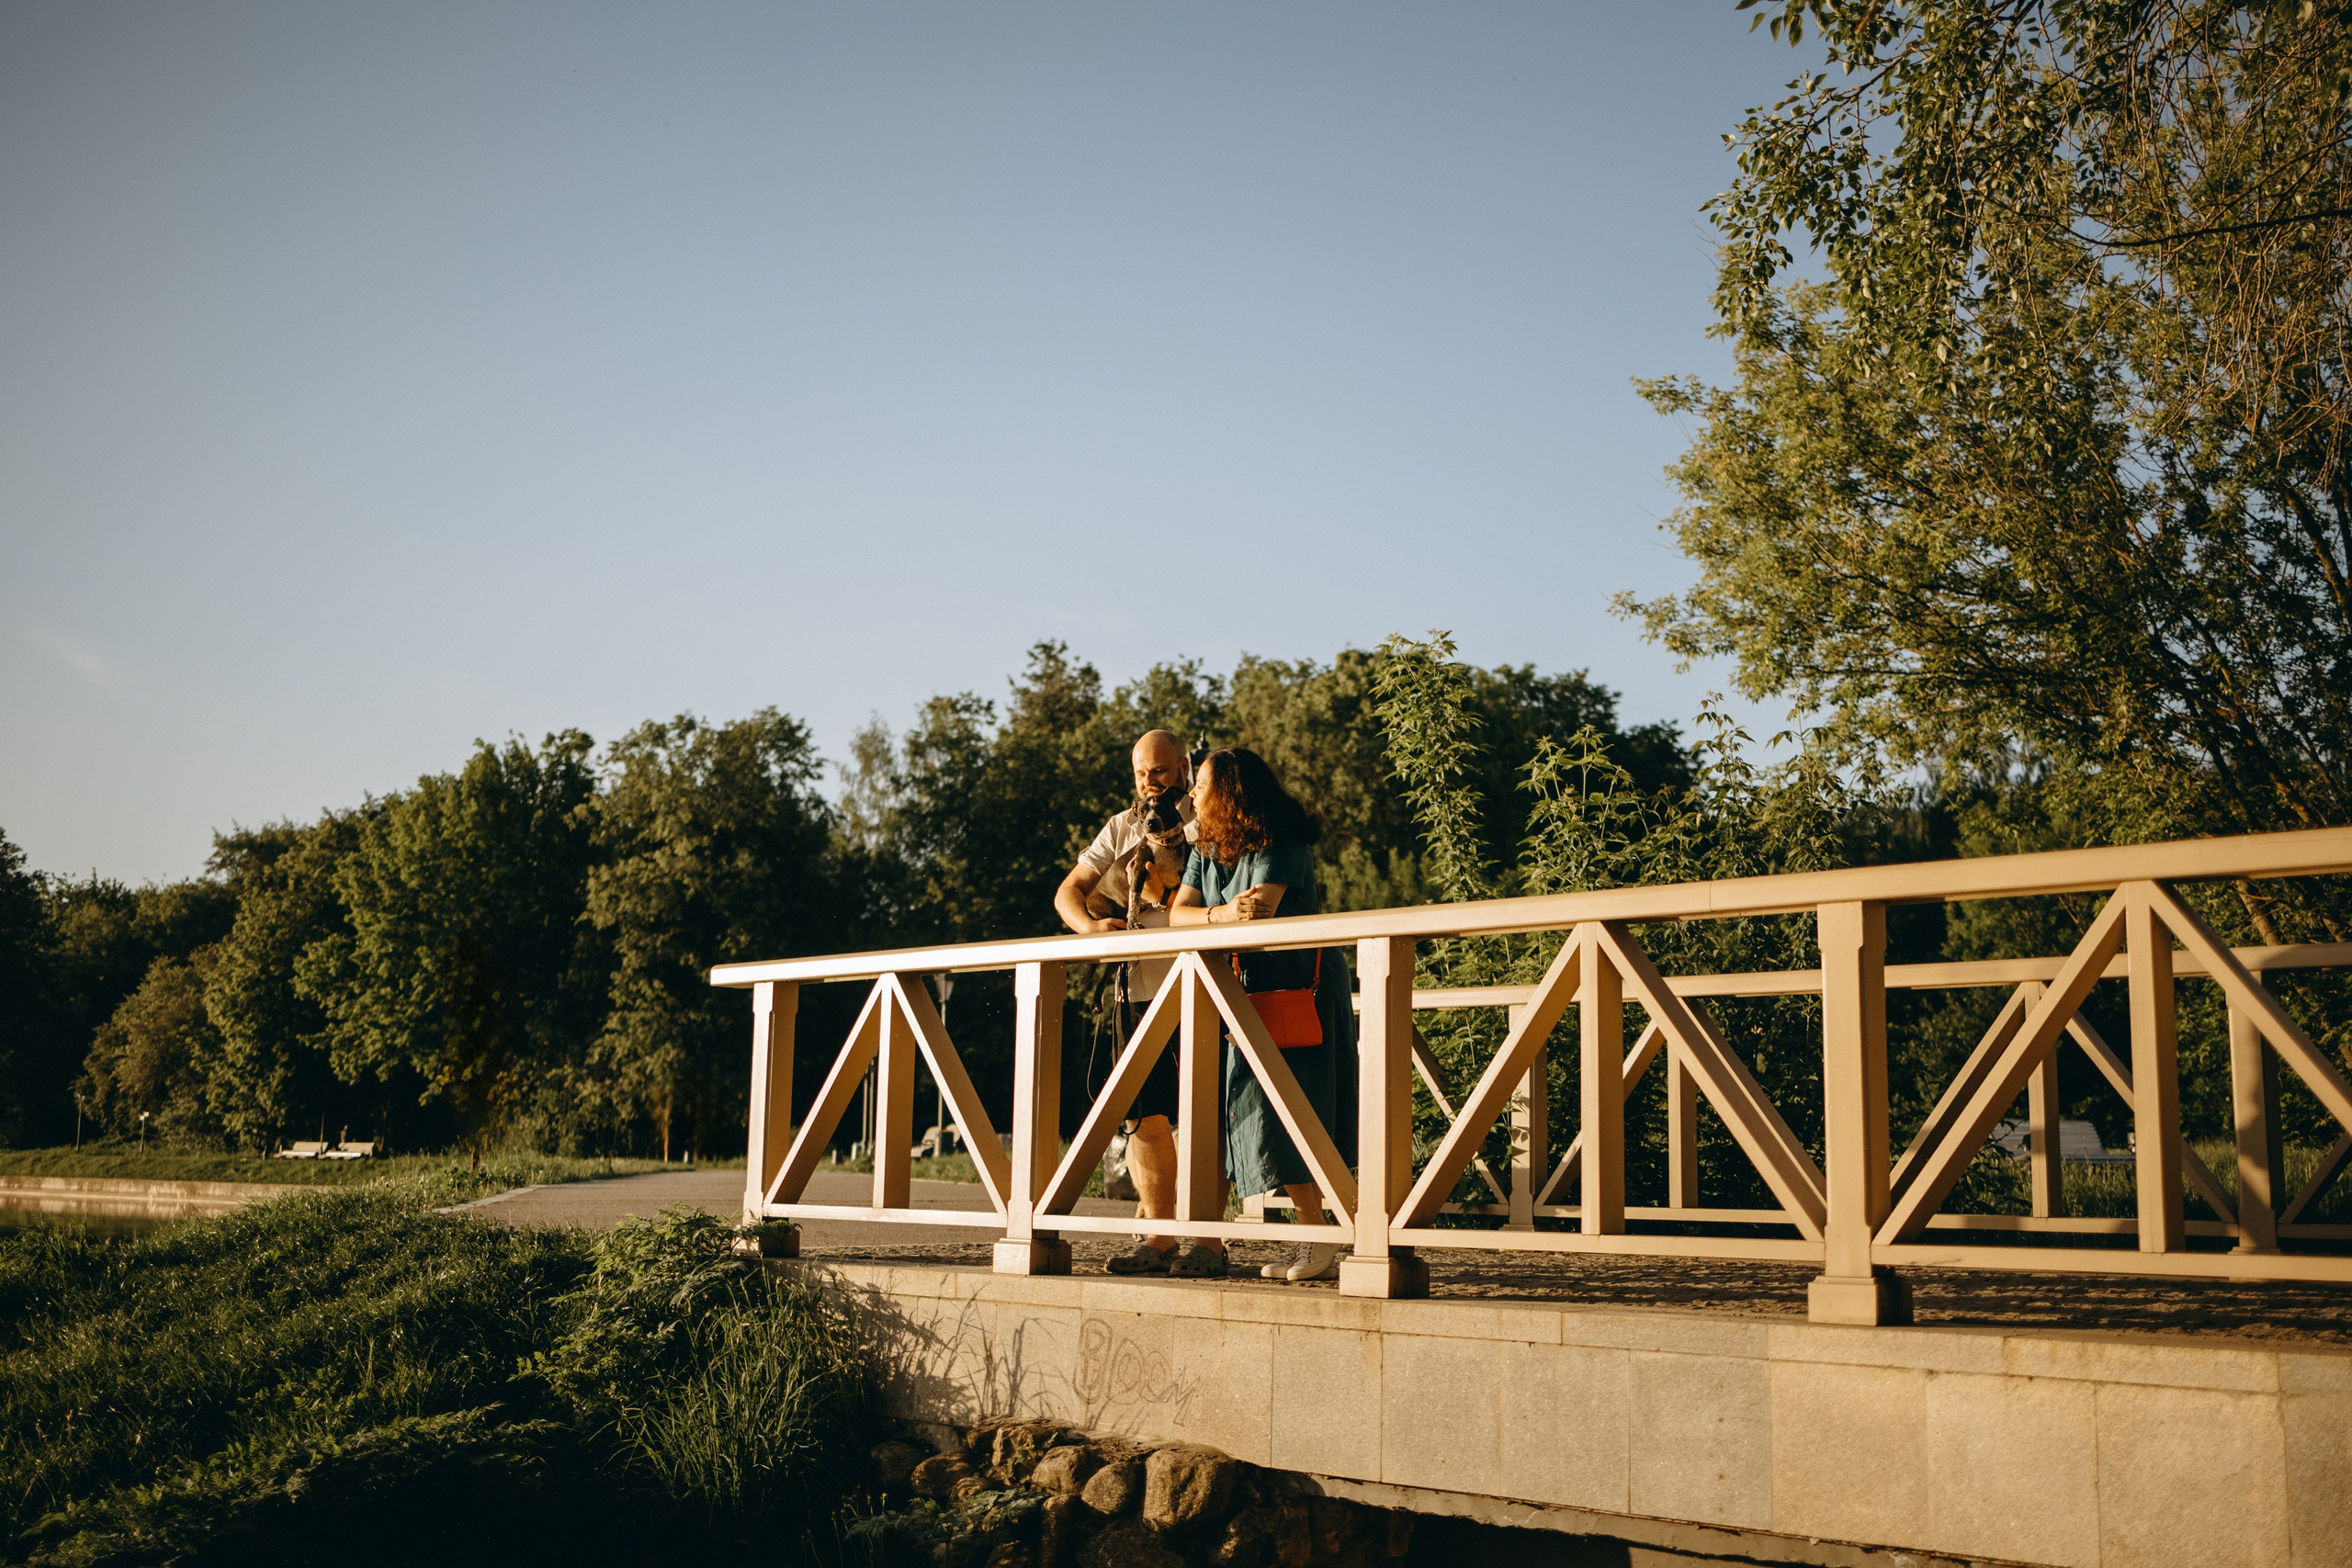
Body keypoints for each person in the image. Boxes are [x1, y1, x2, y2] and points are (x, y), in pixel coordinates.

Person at [1167, 746, 1357, 1282]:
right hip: (1239, 996)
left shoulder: (1281, 839)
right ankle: (1220, 1238)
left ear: (1231, 793)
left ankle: (1325, 1237)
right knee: (1240, 1109)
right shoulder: (1206, 846)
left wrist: (1217, 917)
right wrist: (1220, 913)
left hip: (1297, 994)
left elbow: (1261, 914)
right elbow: (1180, 917)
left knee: (1295, 1110)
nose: (1192, 795)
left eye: (1201, 786)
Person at [1053, 730, 1219, 1277]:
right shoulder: (1121, 827)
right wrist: (1092, 929)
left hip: (1201, 987)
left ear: (1185, 767)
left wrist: (1159, 891)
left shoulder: (1209, 822)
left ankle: (1208, 1243)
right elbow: (1067, 892)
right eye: (1143, 772)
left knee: (1199, 1116)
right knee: (1146, 1119)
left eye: (1163, 772)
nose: (1151, 783)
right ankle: (1159, 1238)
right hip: (1136, 991)